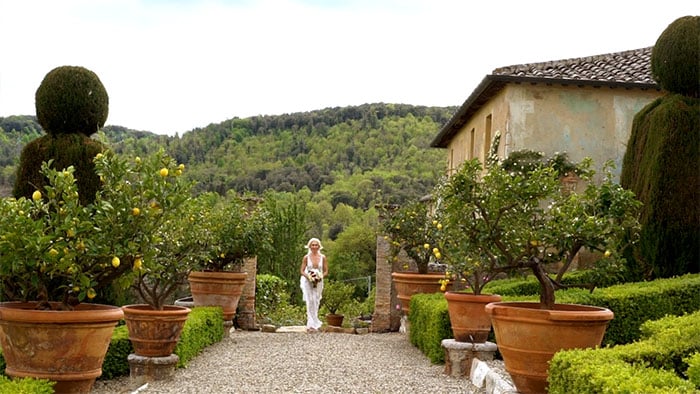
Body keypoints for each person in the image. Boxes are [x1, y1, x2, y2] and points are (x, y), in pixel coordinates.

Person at [299, 237, 329, 333]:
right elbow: (302, 270)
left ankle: (316, 321)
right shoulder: (306, 257)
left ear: (319, 246)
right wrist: (308, 276)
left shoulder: (323, 257)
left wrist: (320, 277)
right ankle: (310, 323)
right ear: (310, 246)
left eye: (316, 245)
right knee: (310, 300)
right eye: (313, 245)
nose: (314, 246)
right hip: (308, 281)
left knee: (316, 300)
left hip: (319, 281)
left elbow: (326, 271)